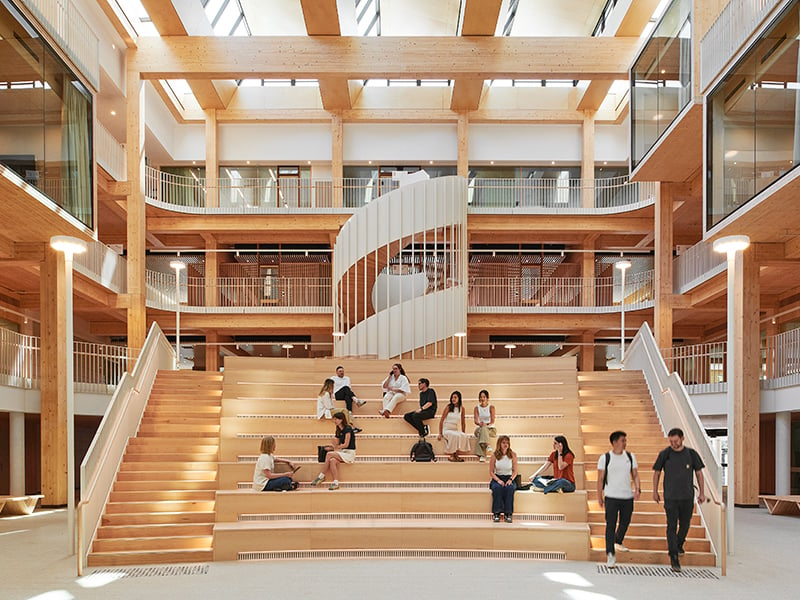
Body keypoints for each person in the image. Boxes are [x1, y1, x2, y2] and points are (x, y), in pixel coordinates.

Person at [652, 427, 706, 573]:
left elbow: (699, 473)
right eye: (671, 441)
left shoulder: (691, 454)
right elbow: (656, 472)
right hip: (670, 497)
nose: (673, 444)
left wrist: (702, 493)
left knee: (685, 524)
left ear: (682, 439)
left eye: (675, 441)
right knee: (671, 525)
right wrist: (655, 491)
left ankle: (679, 543)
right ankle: (673, 556)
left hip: (687, 497)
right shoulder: (665, 454)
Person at [597, 430, 641, 568]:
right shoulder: (605, 458)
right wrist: (599, 496)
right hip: (611, 496)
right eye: (622, 440)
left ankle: (618, 540)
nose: (625, 443)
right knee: (610, 525)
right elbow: (600, 479)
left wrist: (638, 488)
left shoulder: (630, 456)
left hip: (627, 496)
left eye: (625, 440)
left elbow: (635, 474)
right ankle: (610, 554)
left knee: (625, 521)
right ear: (614, 442)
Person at [311, 411, 357, 491]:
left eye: (336, 419)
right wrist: (331, 446)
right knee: (332, 460)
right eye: (334, 419)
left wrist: (336, 447)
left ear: (341, 419)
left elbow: (346, 445)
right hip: (343, 452)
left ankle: (321, 476)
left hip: (349, 453)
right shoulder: (338, 430)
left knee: (329, 454)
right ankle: (336, 483)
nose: (334, 421)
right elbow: (337, 445)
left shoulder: (348, 429)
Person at [489, 435, 518, 523]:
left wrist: (510, 480)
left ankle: (508, 514)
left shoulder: (513, 455)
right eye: (503, 443)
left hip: (509, 477)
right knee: (497, 488)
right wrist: (498, 480)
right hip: (498, 477)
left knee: (509, 489)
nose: (506, 444)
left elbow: (515, 471)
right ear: (499, 444)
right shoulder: (494, 456)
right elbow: (491, 472)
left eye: (507, 443)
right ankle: (497, 513)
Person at [438, 390, 473, 462]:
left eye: (455, 397)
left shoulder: (462, 409)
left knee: (462, 435)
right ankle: (452, 455)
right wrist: (440, 433)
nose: (453, 399)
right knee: (455, 435)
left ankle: (456, 455)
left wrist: (463, 432)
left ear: (459, 398)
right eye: (452, 397)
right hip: (446, 429)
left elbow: (463, 422)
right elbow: (441, 420)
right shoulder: (448, 407)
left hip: (454, 429)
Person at [473, 389, 496, 462]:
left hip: (490, 429)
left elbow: (492, 421)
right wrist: (480, 424)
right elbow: (476, 421)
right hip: (479, 428)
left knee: (482, 432)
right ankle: (487, 445)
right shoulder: (477, 408)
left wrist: (486, 424)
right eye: (481, 397)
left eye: (484, 397)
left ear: (487, 398)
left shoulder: (491, 407)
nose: (482, 399)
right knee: (481, 430)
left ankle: (482, 455)